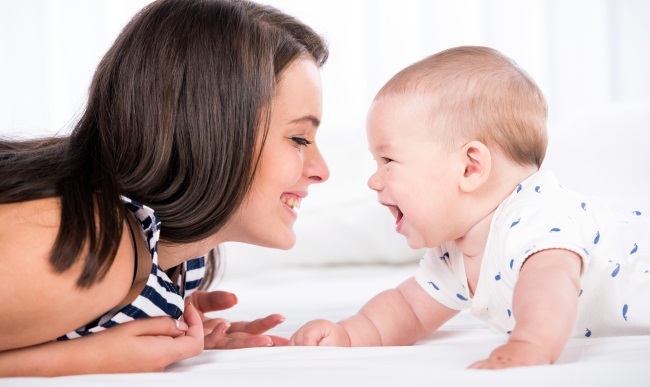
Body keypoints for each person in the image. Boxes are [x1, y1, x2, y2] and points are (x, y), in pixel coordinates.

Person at [0, 0, 329, 376]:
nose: (322, 171)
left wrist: (165, 320)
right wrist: (89, 359)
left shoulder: (176, 257)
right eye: (300, 139)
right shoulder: (94, 243)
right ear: (211, 134)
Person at [289, 46, 650, 369]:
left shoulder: (535, 218)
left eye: (387, 160)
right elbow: (409, 308)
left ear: (469, 168)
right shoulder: (456, 253)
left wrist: (531, 343)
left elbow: (549, 285)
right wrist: (350, 334)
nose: (374, 180)